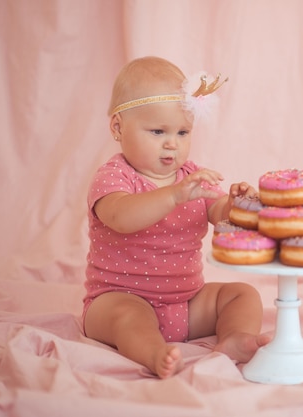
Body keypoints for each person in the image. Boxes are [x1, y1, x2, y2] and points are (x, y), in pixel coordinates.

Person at [82, 56, 269, 378]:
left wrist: (236, 206)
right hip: (118, 299)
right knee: (129, 318)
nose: (172, 143)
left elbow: (219, 213)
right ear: (118, 127)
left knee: (242, 294)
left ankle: (236, 339)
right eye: (157, 131)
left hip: (187, 302)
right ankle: (153, 353)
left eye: (183, 132)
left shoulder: (191, 177)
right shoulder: (113, 177)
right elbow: (122, 217)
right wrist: (173, 195)